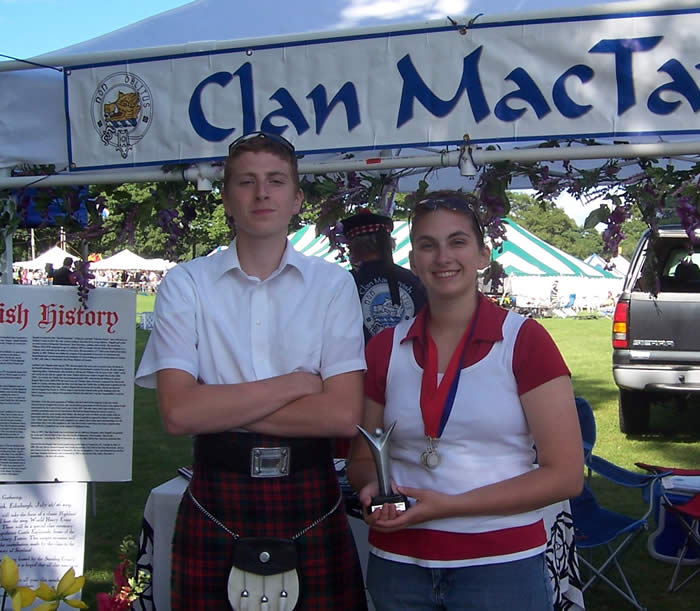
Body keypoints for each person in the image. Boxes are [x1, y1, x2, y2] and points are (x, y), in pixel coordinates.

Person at [135, 131, 368, 610]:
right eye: (246, 182)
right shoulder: (186, 284)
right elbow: (178, 414)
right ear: (226, 197)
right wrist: (298, 384)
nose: (262, 193)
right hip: (217, 495)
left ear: (296, 199)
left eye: (276, 181)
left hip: (310, 493)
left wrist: (217, 405)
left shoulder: (332, 284)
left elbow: (342, 416)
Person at [347, 190, 583, 610]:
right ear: (413, 260)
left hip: (500, 566)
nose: (443, 257)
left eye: (457, 242)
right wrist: (372, 487)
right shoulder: (385, 348)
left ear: (482, 255)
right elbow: (363, 458)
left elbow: (565, 476)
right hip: (400, 565)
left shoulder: (524, 342)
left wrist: (449, 507)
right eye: (427, 245)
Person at [341, 209, 427, 342]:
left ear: (353, 247)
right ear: (388, 243)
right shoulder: (414, 280)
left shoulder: (345, 284)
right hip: (410, 353)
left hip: (361, 355)